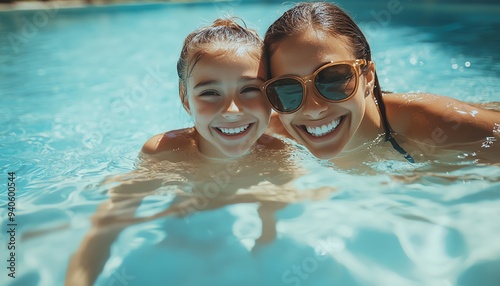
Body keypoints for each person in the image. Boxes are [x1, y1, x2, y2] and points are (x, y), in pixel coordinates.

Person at [65, 18, 331, 286]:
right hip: (174, 238)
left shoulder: (278, 155)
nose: (232, 111)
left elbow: (274, 234)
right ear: (185, 99)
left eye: (249, 89)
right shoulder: (165, 152)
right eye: (210, 93)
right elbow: (106, 228)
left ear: (272, 96)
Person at [262, 2, 500, 167]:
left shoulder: (437, 124)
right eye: (288, 89)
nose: (313, 108)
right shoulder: (273, 136)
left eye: (332, 78)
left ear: (367, 77)